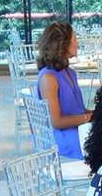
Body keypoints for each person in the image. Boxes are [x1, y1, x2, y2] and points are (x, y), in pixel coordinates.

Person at [36, 21, 91, 160]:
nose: (77, 44)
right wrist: (89, 118)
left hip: (79, 129)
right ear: (62, 44)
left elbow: (80, 111)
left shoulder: (70, 72)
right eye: (75, 39)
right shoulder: (49, 78)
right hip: (65, 138)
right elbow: (56, 122)